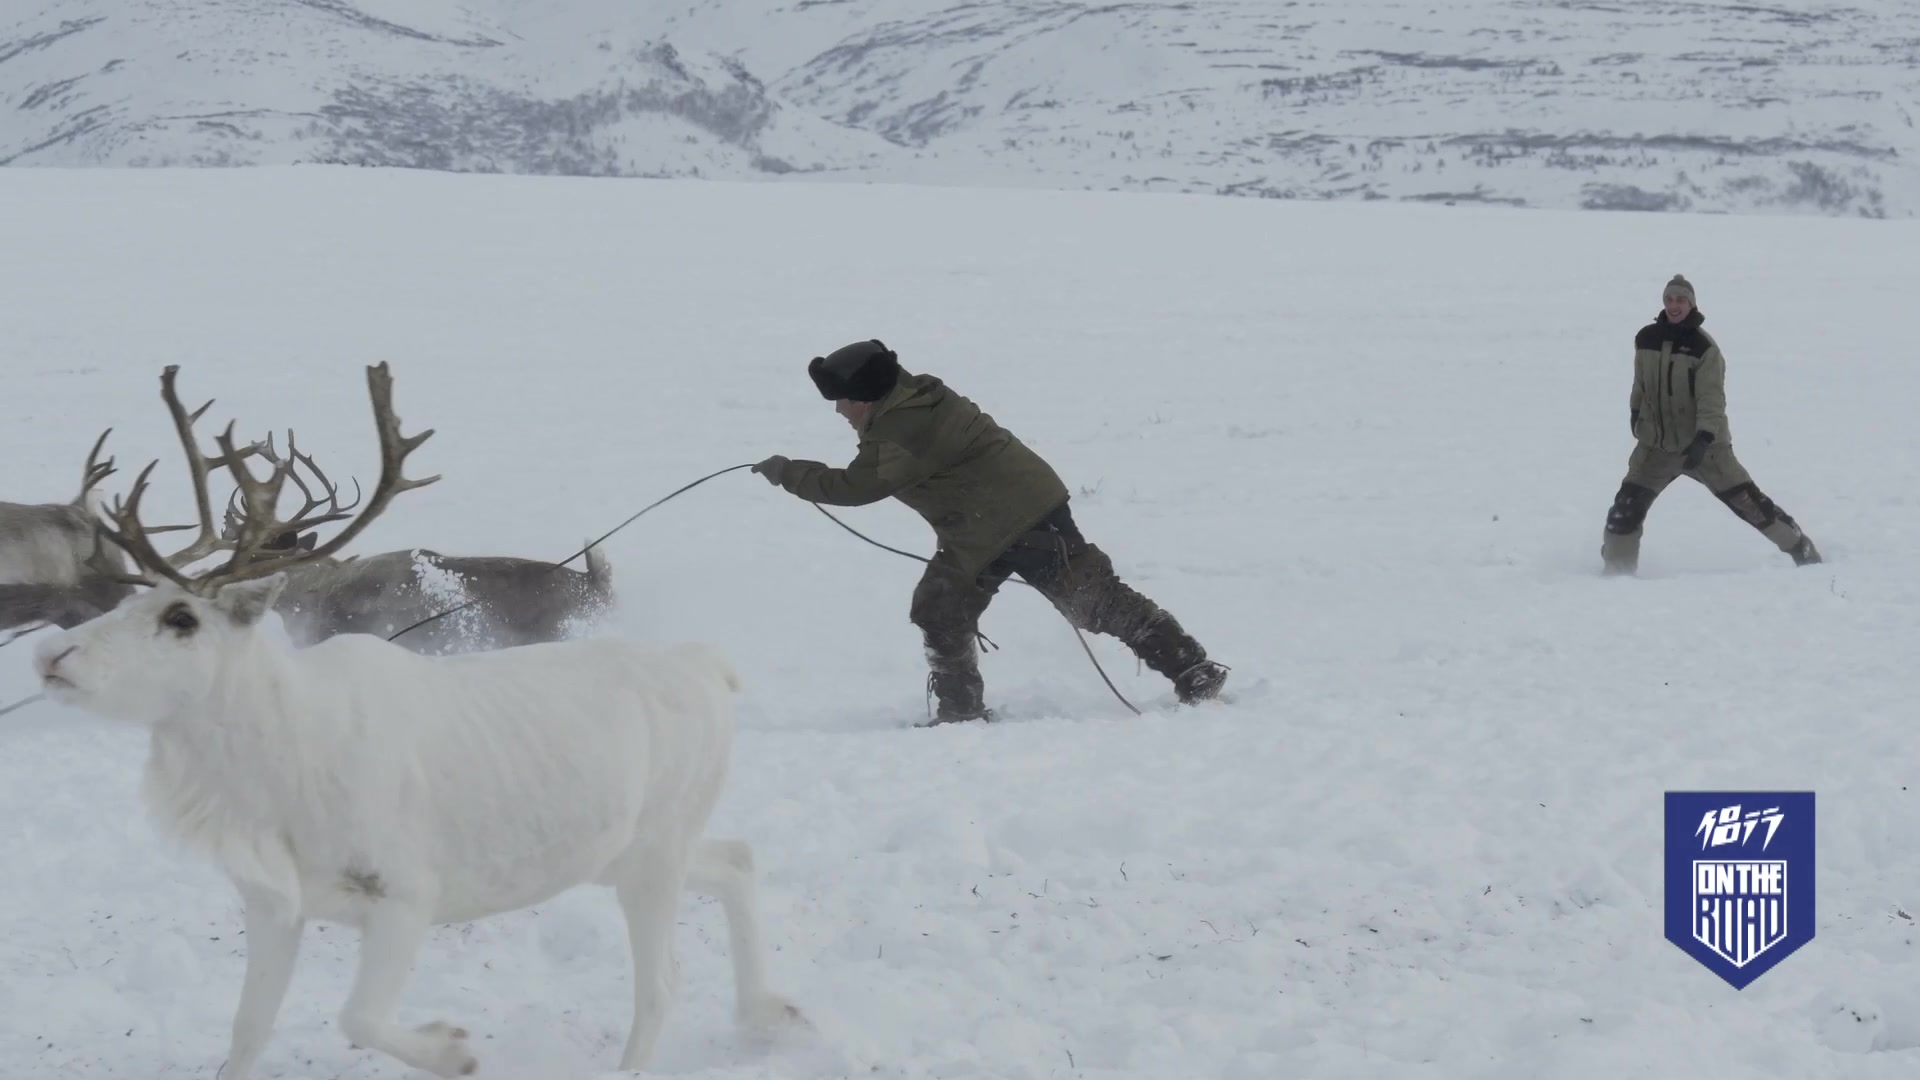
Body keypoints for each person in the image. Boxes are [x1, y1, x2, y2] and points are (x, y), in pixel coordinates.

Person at [752, 339, 1229, 724]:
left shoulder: (903, 428)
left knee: (1093, 601)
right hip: (979, 527)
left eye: (842, 400)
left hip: (1019, 516)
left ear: (866, 396)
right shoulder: (913, 397)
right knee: (939, 608)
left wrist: (787, 472)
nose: (838, 411)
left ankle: (1193, 670)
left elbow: (858, 486)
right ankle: (960, 712)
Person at [1601, 274, 1821, 575]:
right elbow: (1640, 384)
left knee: (1750, 505)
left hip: (1705, 449)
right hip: (1655, 448)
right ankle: (1616, 576)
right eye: (1669, 299)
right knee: (1623, 513)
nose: (1674, 305)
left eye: (1681, 300)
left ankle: (1803, 551)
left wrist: (1704, 437)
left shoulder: (1705, 349)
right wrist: (1635, 412)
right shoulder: (1646, 338)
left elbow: (1712, 400)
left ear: (1691, 304)